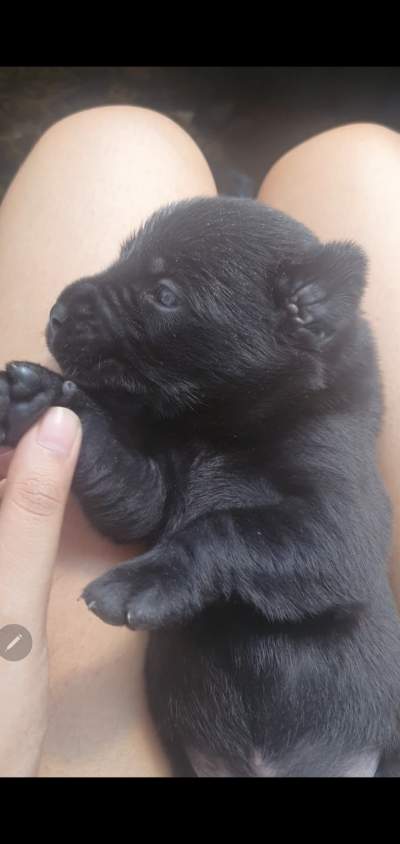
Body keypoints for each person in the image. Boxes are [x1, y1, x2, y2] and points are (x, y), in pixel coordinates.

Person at [0, 107, 399, 777]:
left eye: (159, 294)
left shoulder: (322, 420)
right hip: (191, 749)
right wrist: (70, 414)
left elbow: (337, 552)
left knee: (108, 143)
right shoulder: (198, 402)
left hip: (350, 740)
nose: (77, 304)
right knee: (357, 162)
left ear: (303, 315)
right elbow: (140, 509)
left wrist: (195, 560)